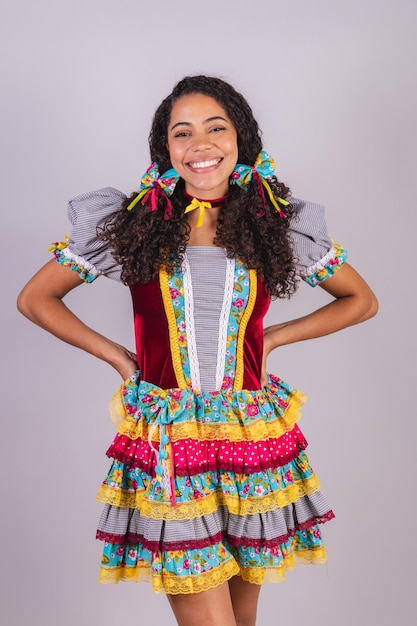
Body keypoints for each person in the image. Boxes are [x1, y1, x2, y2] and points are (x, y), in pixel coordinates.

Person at [17, 75, 378, 626]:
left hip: (250, 440)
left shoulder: (274, 224)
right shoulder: (136, 224)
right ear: (166, 149)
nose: (200, 144)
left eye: (216, 128)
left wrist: (273, 337)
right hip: (172, 444)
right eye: (182, 133)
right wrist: (118, 356)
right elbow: (36, 298)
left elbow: (360, 300)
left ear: (241, 138)